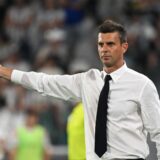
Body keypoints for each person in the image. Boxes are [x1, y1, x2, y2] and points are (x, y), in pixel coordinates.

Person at [0, 19, 160, 160]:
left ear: (124, 47)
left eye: (110, 44)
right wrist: (6, 72)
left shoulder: (142, 85)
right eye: (100, 44)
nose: (104, 49)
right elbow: (45, 82)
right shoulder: (87, 81)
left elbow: (158, 132)